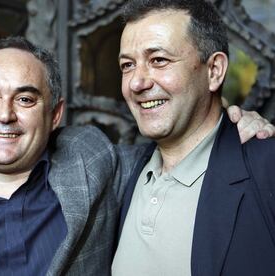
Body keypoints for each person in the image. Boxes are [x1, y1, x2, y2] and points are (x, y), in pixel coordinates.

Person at [0, 39, 274, 275]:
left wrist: (231, 121)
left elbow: (182, 141)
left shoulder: (95, 163)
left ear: (55, 115)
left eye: (25, 98)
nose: (5, 114)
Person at [112, 0, 275, 275]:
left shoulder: (267, 168)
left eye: (158, 60)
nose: (136, 83)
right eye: (128, 65)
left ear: (214, 71)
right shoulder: (121, 172)